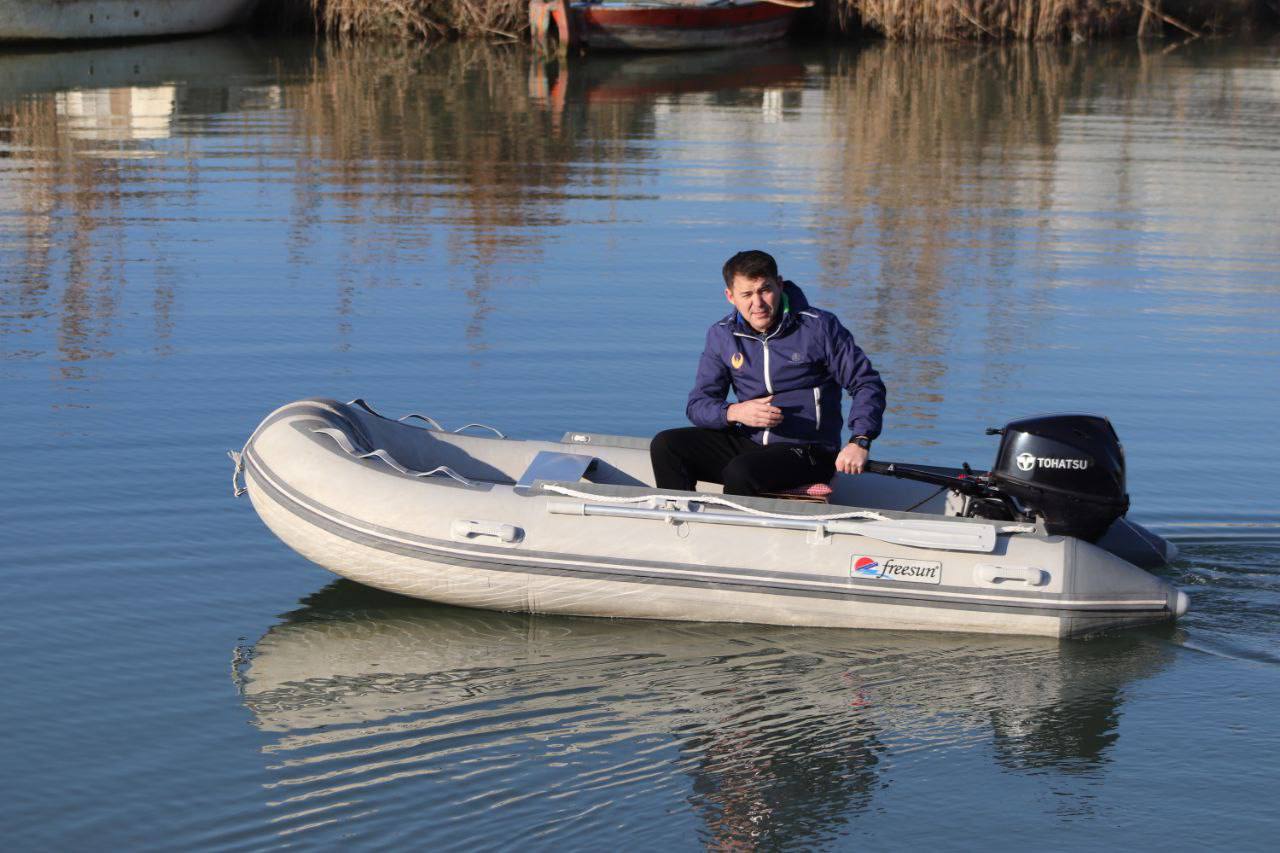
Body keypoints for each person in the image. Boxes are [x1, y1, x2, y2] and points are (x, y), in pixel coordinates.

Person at [650, 250, 886, 497]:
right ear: (730, 296)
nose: (758, 303)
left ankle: (737, 520)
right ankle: (679, 516)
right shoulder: (722, 335)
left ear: (779, 285)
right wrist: (734, 412)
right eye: (747, 294)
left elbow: (866, 384)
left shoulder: (819, 327)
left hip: (810, 451)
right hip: (751, 444)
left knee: (741, 471)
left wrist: (860, 440)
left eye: (765, 290)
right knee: (667, 445)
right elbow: (698, 405)